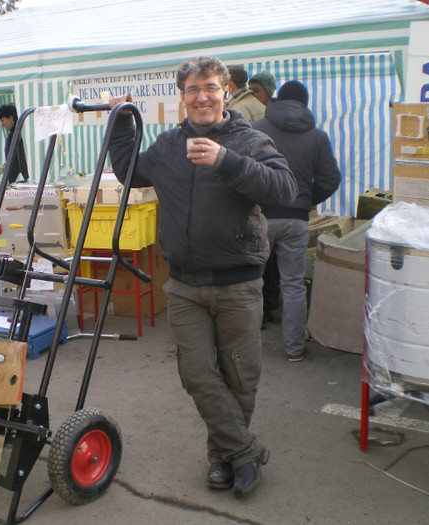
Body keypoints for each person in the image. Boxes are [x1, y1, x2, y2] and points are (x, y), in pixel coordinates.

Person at [107, 56, 297, 498]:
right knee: (196, 373)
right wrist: (121, 127)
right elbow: (130, 173)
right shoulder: (170, 145)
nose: (202, 97)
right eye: (192, 89)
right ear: (182, 97)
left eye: (210, 87)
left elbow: (286, 190)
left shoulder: (248, 140)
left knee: (239, 375)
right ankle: (245, 452)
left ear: (226, 90)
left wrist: (227, 161)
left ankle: (222, 457)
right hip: (187, 283)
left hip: (238, 281)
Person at [253, 80, 341, 362]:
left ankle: (246, 346)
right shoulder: (317, 136)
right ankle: (294, 350)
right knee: (292, 284)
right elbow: (330, 179)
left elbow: (240, 173)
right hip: (297, 219)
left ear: (278, 100)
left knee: (249, 282)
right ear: (304, 103)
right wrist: (306, 199)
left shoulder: (257, 130)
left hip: (261, 216)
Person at [247, 71, 279, 327]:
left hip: (272, 208)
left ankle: (268, 309)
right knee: (269, 265)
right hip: (281, 209)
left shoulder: (260, 128)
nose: (252, 96)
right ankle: (269, 310)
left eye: (256, 91)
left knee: (267, 265)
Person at [0, 103, 29, 184]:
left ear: (11, 118)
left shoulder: (17, 135)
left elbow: (20, 160)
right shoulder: (14, 134)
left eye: (3, 120)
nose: (2, 124)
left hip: (19, 180)